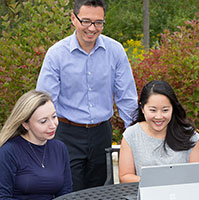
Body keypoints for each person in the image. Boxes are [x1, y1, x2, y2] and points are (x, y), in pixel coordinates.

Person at [36, 0, 138, 191]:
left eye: (98, 22)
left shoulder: (115, 51)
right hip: (66, 134)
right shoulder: (56, 54)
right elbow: (45, 101)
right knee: (68, 190)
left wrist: (134, 135)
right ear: (73, 19)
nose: (92, 28)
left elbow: (127, 98)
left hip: (102, 133)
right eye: (86, 21)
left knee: (101, 191)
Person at [119, 80, 199, 183]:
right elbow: (125, 177)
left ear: (173, 108)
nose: (159, 117)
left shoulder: (188, 134)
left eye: (165, 110)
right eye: (153, 110)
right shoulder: (131, 135)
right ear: (142, 108)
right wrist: (158, 181)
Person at [0, 90, 72, 199]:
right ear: (25, 124)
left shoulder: (59, 148)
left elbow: (65, 193)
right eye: (43, 121)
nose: (52, 125)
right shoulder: (8, 152)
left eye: (54, 116)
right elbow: (3, 196)